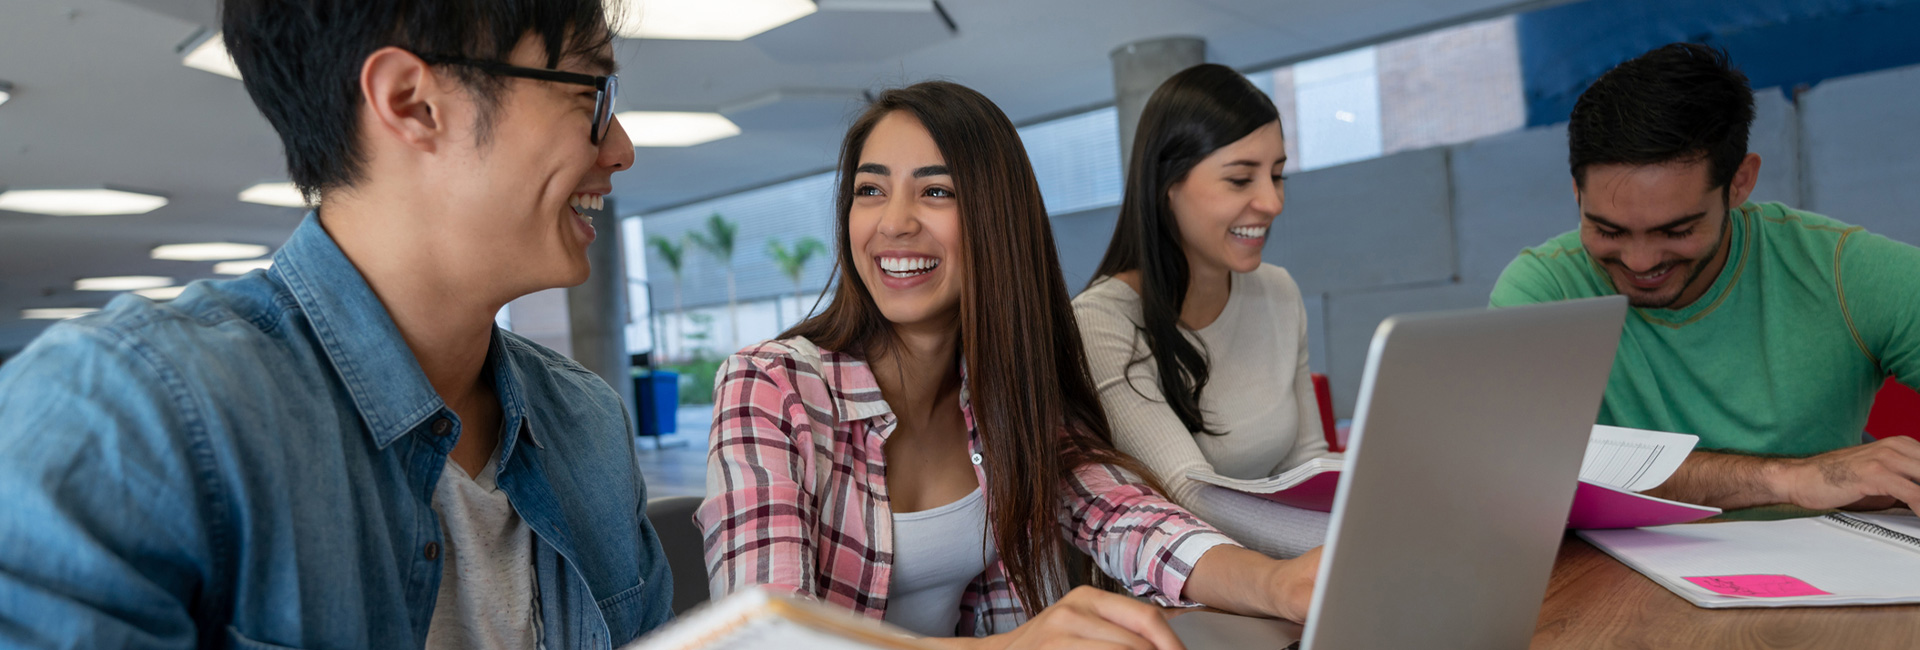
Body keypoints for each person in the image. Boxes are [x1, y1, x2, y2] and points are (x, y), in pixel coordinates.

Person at [0, 1, 674, 647]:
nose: (620, 149)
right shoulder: (127, 418)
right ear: (413, 101)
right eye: (591, 94)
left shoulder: (586, 423)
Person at [695, 81, 1321, 648]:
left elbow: (1128, 518)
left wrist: (1279, 585)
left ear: (997, 220)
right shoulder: (769, 386)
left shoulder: (1003, 392)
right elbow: (768, 639)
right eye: (870, 190)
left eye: (936, 191)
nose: (895, 222)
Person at [1491, 43, 1920, 513]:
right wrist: (1788, 478)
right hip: (1609, 583)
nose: (1638, 261)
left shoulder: (1847, 272)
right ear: (1576, 192)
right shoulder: (1543, 290)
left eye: (1676, 230)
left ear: (1740, 182)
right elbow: (1519, 468)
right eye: (1608, 230)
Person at [1074, 63, 1336, 558]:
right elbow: (1193, 497)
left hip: (1296, 577)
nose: (1272, 202)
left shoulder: (1278, 291)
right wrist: (1350, 546)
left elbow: (1309, 468)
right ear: (1167, 186)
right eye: (1241, 180)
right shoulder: (1100, 323)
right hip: (1185, 600)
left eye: (1277, 175)